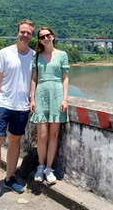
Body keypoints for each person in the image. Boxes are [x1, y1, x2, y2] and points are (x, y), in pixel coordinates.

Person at [0, 19, 35, 208]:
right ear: (18, 32)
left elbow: (33, 81)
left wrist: (32, 99)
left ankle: (9, 178)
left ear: (32, 36)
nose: (25, 35)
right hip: (3, 105)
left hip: (21, 107)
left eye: (28, 33)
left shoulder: (33, 56)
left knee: (15, 142)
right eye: (22, 32)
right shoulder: (5, 53)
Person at [30, 27, 70, 185]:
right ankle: (40, 166)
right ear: (39, 40)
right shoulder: (37, 57)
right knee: (42, 136)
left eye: (48, 35)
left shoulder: (62, 55)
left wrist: (65, 99)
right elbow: (34, 79)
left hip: (57, 96)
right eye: (42, 37)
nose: (46, 38)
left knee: (53, 136)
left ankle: (49, 168)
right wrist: (32, 98)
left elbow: (65, 78)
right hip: (41, 96)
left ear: (53, 36)